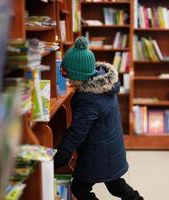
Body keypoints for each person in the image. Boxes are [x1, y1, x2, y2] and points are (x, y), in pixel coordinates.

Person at [53, 36, 143, 200]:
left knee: (79, 189)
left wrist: (62, 153)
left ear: (80, 75)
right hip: (110, 146)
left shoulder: (88, 98)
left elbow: (77, 131)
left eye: (70, 76)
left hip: (98, 152)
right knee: (115, 184)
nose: (68, 81)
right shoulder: (102, 83)